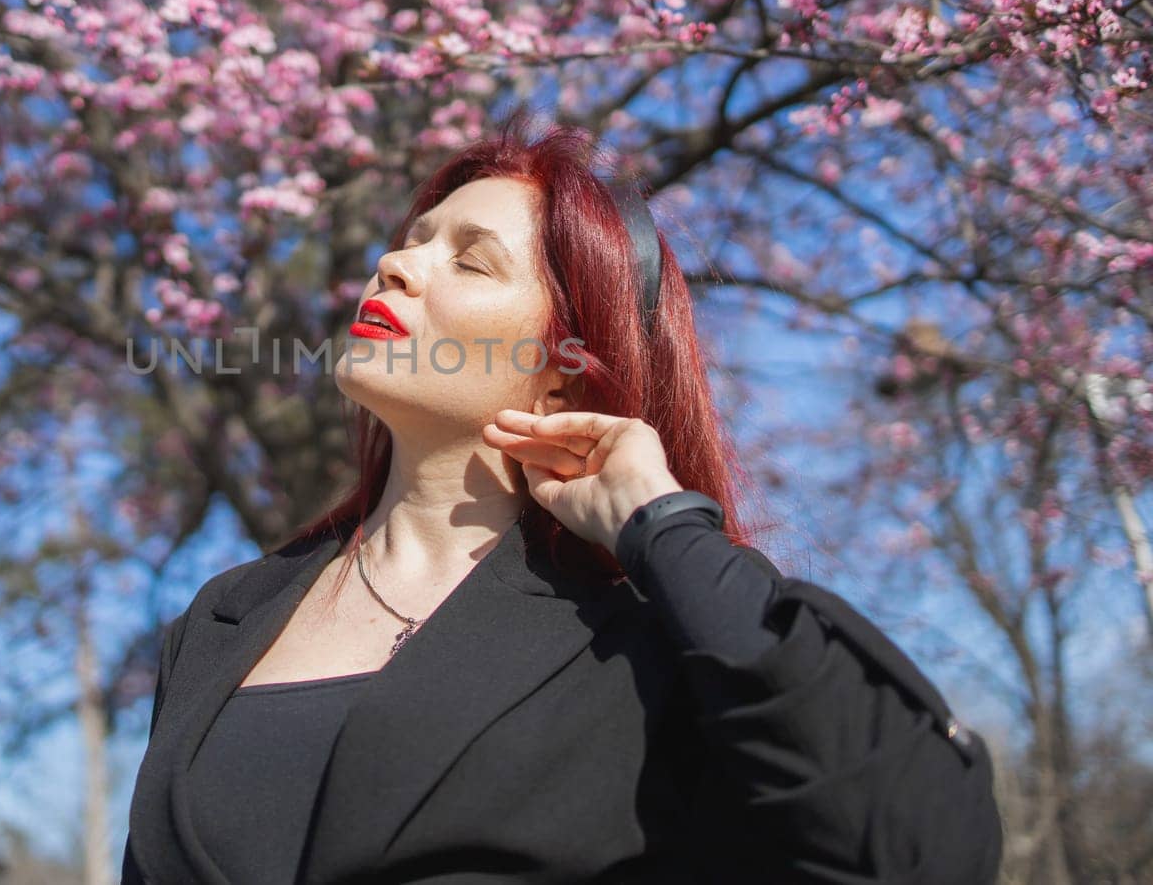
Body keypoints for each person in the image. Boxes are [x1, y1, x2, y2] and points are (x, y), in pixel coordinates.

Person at [120, 110, 1004, 884]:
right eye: (413, 236)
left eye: (470, 260)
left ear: (561, 375)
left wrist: (666, 529)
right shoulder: (225, 618)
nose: (395, 263)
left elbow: (921, 845)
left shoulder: (636, 640)